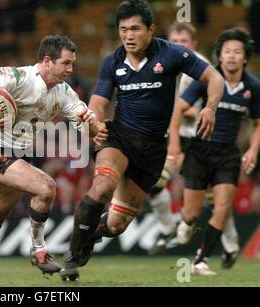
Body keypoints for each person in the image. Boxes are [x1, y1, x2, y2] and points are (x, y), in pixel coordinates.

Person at [60, 0, 225, 282]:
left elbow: (214, 78)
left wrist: (209, 107)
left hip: (153, 149)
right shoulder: (112, 61)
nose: (128, 36)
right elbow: (98, 102)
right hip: (119, 137)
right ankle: (72, 259)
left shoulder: (172, 54)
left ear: (151, 29)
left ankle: (91, 233)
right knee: (102, 187)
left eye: (135, 29)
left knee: (117, 224)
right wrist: (95, 120)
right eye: (123, 30)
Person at [0, 34, 99, 286]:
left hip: (18, 153)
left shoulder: (64, 93)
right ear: (47, 61)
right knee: (46, 188)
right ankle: (38, 250)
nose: (70, 69)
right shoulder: (17, 77)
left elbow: (89, 128)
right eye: (65, 63)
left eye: (72, 64)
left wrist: (92, 125)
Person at [169, 27, 260, 275]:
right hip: (199, 151)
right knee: (192, 213)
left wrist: (252, 149)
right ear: (219, 56)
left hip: (228, 155)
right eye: (226, 51)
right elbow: (179, 108)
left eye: (236, 52)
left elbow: (257, 123)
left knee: (221, 208)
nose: (231, 56)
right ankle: (186, 222)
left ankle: (200, 261)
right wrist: (174, 144)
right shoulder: (207, 80)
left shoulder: (253, 86)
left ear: (244, 57)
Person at [148, 22, 241, 264]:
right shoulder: (159, 61)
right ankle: (168, 227)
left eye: (184, 42)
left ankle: (230, 243)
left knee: (213, 198)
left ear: (194, 44)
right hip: (172, 134)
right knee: (154, 182)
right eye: (175, 42)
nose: (179, 46)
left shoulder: (200, 67)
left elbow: (197, 107)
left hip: (198, 137)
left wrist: (174, 110)